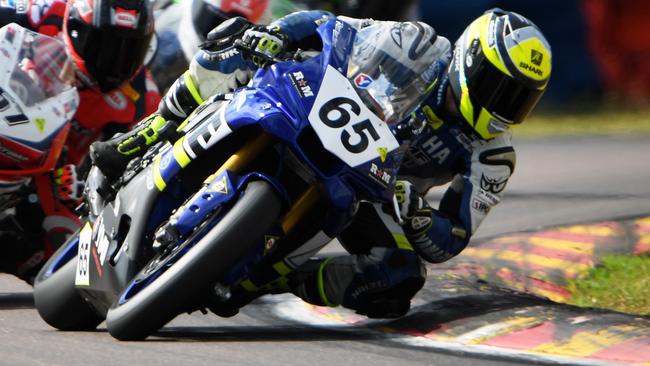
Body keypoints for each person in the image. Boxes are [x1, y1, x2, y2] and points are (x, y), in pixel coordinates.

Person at [91, 8, 552, 317]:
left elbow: (451, 238)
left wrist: (417, 216)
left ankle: (279, 277)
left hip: (376, 192)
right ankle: (147, 133)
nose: (507, 107)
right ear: (471, 60)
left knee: (397, 279)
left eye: (522, 100)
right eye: (501, 88)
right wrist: (275, 36)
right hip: (318, 111)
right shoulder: (417, 44)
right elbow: (330, 26)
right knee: (228, 49)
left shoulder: (492, 155)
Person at [0, 0, 161, 284]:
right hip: (8, 119)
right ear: (75, 27)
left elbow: (130, 169)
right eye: (103, 44)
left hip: (51, 173)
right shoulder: (41, 11)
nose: (114, 60)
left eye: (128, 49)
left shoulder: (140, 100)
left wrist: (84, 182)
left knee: (61, 253)